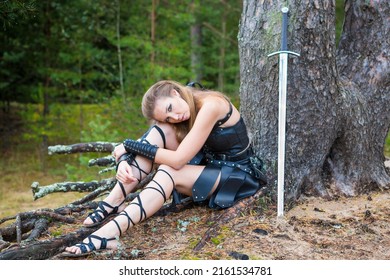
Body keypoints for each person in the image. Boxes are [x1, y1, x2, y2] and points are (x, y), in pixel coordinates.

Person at [63, 80, 267, 256]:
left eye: (170, 109)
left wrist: (128, 145)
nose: (175, 117)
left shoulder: (212, 104)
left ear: (175, 93)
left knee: (168, 170)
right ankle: (113, 201)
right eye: (169, 116)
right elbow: (149, 140)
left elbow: (178, 160)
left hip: (238, 176)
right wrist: (124, 155)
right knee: (161, 131)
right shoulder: (187, 104)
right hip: (211, 166)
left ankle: (107, 234)